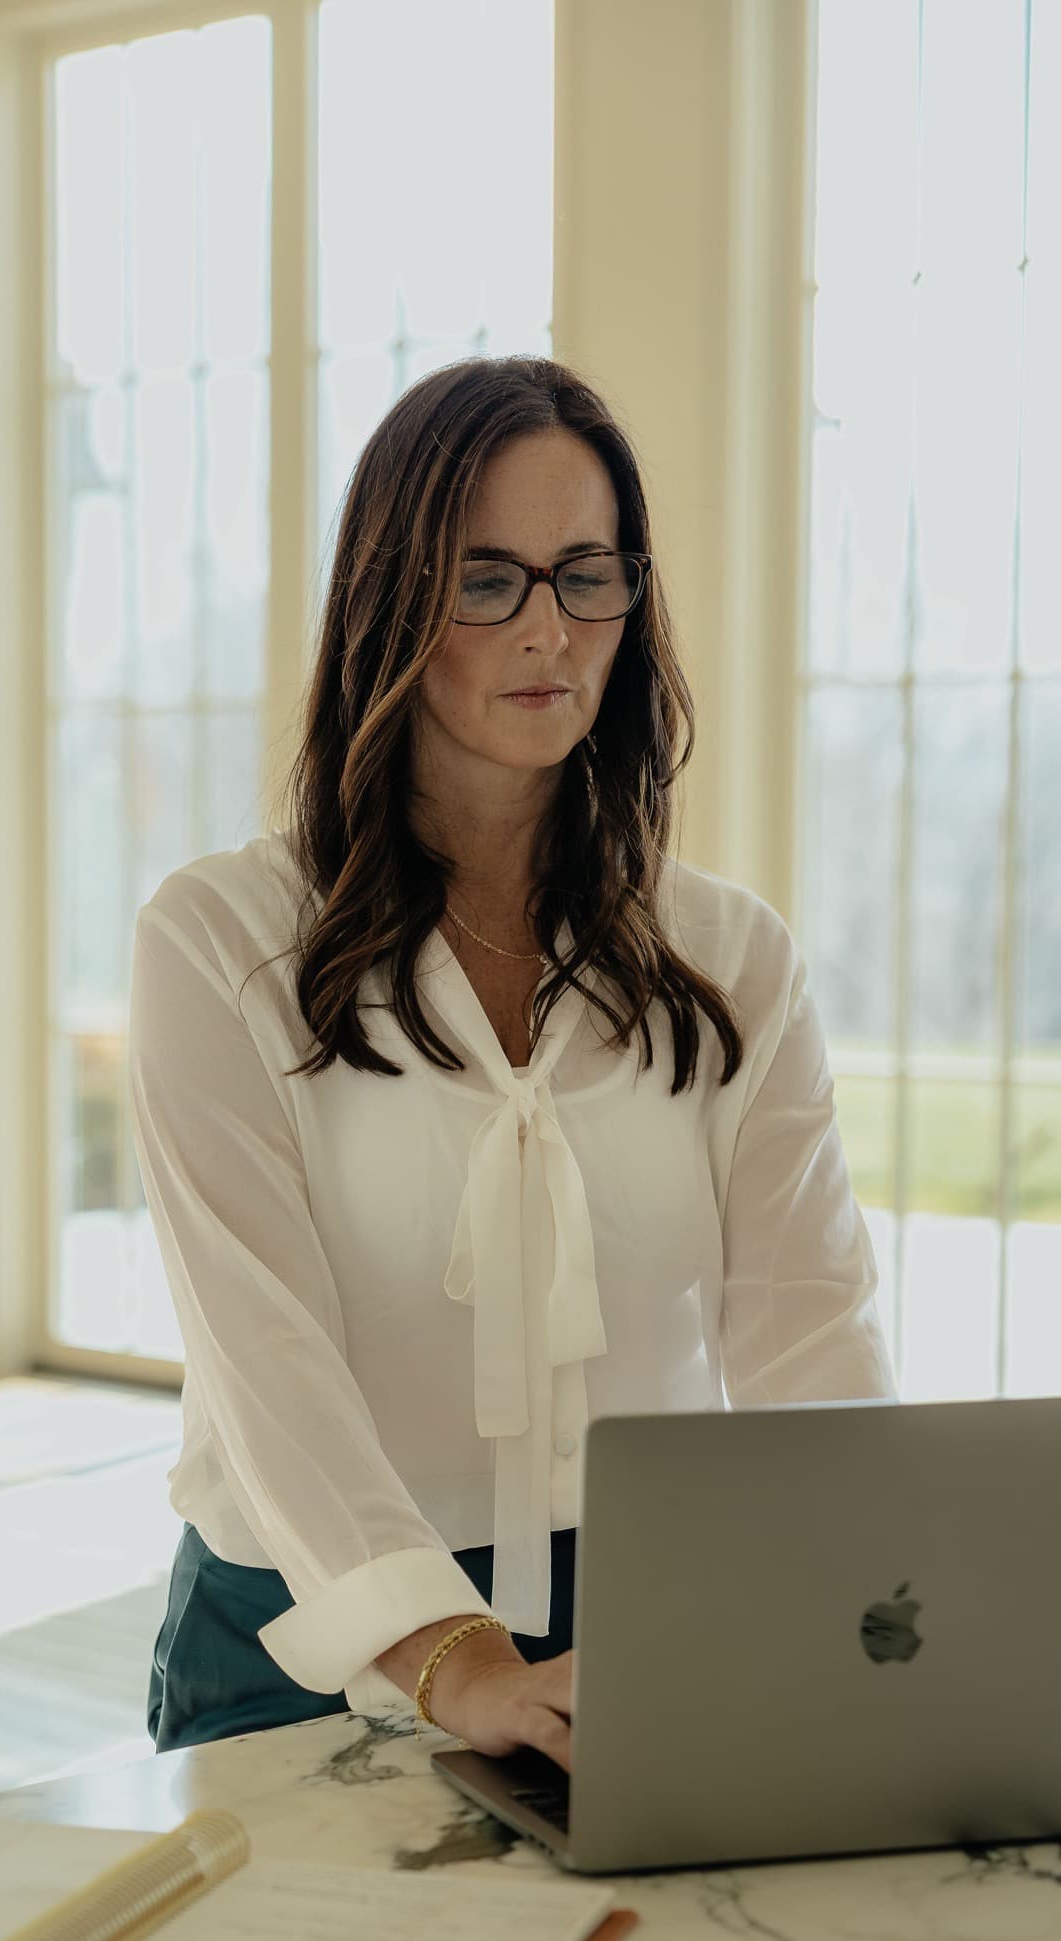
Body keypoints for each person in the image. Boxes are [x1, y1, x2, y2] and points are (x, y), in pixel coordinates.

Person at [128, 354, 896, 1764]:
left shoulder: (733, 957)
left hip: (650, 1627)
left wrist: (863, 1601)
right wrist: (451, 1654)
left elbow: (810, 1339)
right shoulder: (218, 942)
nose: (549, 629)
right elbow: (265, 1362)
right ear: (392, 603)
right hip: (304, 1633)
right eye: (488, 581)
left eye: (586, 574)